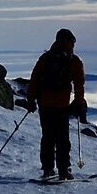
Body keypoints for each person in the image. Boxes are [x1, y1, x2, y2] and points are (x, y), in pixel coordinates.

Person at [25, 28, 86, 180]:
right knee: (63, 138)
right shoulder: (74, 61)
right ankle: (64, 170)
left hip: (45, 104)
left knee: (48, 137)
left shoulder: (46, 58)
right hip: (62, 105)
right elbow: (79, 84)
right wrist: (79, 103)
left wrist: (31, 99)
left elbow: (34, 79)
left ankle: (47, 169)